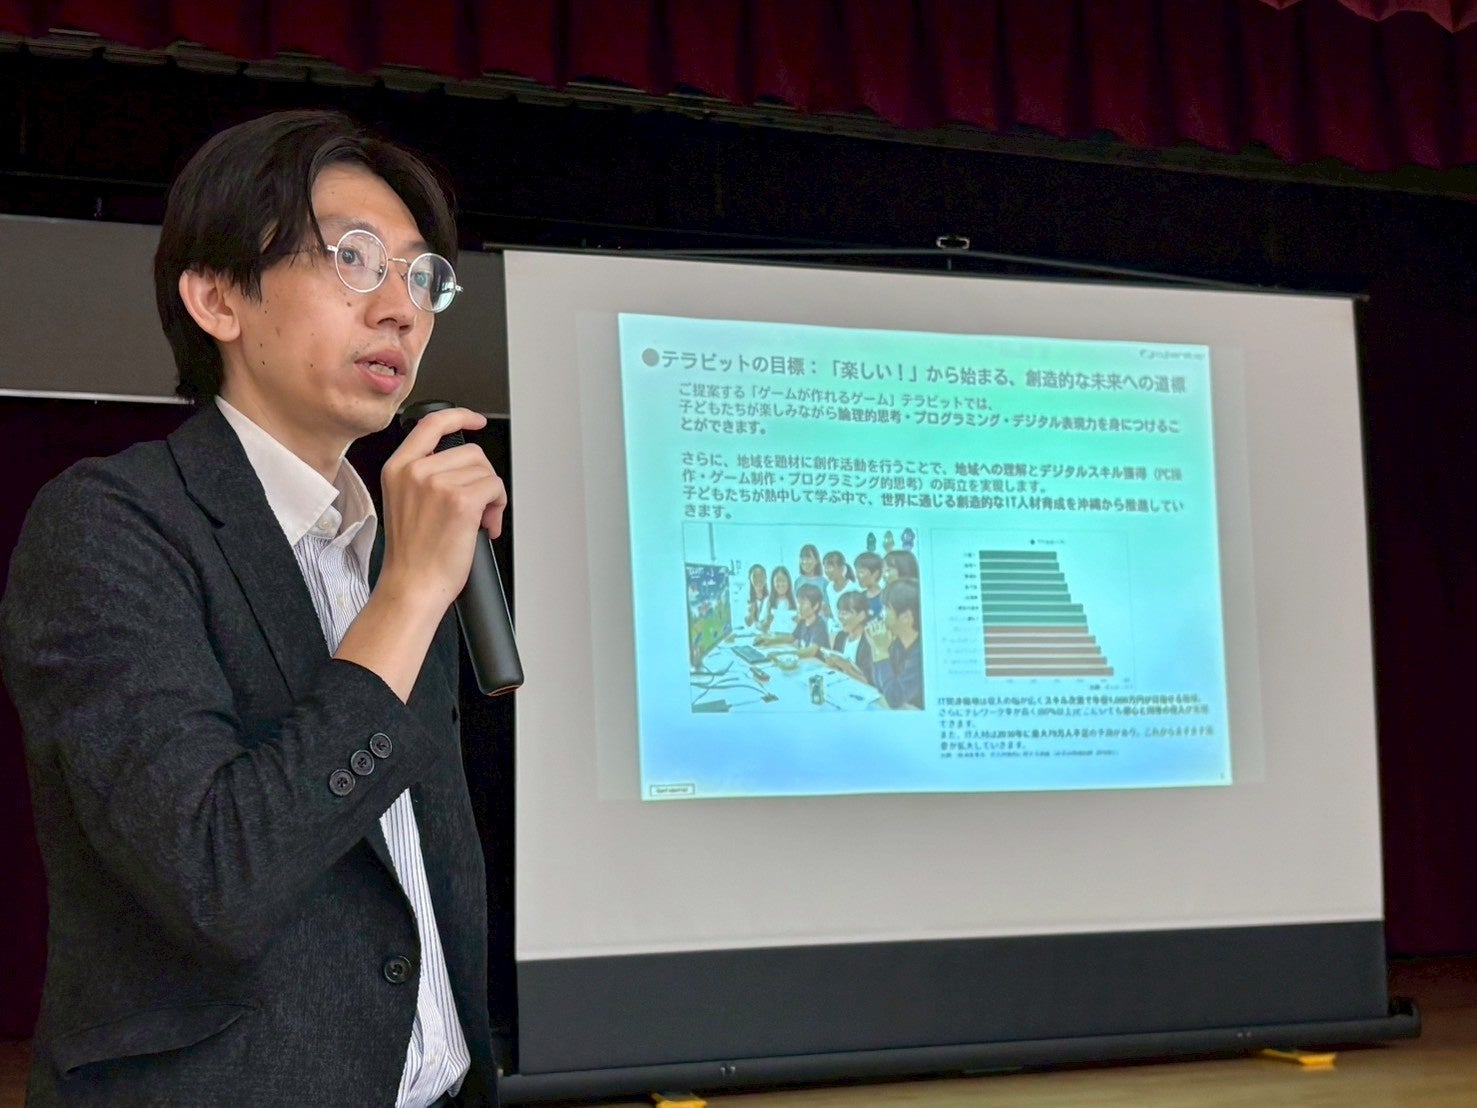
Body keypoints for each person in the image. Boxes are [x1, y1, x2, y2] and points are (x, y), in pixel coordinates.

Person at [0, 111, 504, 1106]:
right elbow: (215, 877)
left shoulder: (395, 544)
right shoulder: (112, 525)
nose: (400, 310)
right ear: (218, 297)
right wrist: (407, 598)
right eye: (353, 259)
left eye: (420, 276)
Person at [867, 580, 924, 709]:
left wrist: (881, 651)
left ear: (906, 617)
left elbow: (894, 699)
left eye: (886, 609)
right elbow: (879, 684)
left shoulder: (921, 654)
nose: (881, 615)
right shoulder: (896, 644)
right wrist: (875, 646)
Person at [820, 590, 874, 686]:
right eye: (839, 612)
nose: (840, 617)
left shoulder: (870, 642)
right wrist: (832, 664)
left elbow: (869, 683)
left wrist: (846, 667)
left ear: (861, 615)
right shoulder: (841, 637)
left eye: (845, 613)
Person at [758, 583, 829, 653]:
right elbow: (791, 638)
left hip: (815, 660)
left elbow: (810, 651)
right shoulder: (803, 621)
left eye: (803, 603)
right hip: (803, 659)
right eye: (799, 603)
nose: (799, 607)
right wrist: (770, 640)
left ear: (816, 606)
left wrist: (784, 655)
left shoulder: (819, 625)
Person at [760, 565, 797, 636]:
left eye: (783, 581)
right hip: (773, 640)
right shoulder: (768, 601)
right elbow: (761, 628)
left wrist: (799, 621)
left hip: (791, 641)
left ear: (788, 582)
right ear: (773, 583)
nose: (781, 584)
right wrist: (767, 622)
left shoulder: (796, 600)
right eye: (777, 581)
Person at [819, 549, 855, 621]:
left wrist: (832, 614)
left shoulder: (852, 588)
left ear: (841, 568)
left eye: (830, 567)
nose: (827, 571)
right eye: (825, 568)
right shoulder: (829, 587)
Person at [854, 551, 885, 620]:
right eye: (856, 572)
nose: (857, 576)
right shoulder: (859, 598)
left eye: (861, 572)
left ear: (875, 573)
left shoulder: (885, 598)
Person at [743, 562, 768, 627]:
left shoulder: (772, 597)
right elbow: (748, 624)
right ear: (750, 579)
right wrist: (751, 613)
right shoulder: (744, 598)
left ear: (766, 577)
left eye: (761, 576)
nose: (758, 579)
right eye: (755, 576)